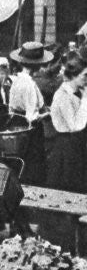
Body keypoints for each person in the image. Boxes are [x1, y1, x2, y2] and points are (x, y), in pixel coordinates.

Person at [9, 42, 53, 186]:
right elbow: (31, 116)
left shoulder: (17, 80)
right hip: (30, 130)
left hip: (17, 124)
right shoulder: (29, 85)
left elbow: (11, 107)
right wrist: (47, 114)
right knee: (32, 165)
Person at [48, 53, 87, 192]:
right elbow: (75, 126)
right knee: (70, 189)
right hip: (67, 148)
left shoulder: (75, 94)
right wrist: (85, 100)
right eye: (84, 75)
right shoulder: (63, 96)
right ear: (73, 75)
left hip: (76, 145)